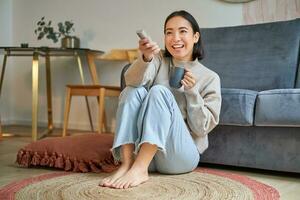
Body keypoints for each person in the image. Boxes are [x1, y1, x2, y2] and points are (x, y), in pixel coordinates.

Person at [99, 10, 221, 189]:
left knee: (158, 92)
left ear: (195, 37)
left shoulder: (210, 77)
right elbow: (130, 82)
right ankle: (127, 164)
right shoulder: (159, 60)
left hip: (180, 157)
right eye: (169, 32)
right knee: (131, 92)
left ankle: (139, 169)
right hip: (148, 155)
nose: (175, 38)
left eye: (182, 31)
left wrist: (192, 93)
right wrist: (145, 58)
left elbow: (201, 128)